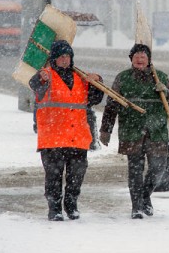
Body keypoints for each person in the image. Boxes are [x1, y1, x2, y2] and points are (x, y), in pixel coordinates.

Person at [99, 43, 169, 219]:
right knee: (135, 170)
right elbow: (112, 105)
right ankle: (137, 206)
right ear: (131, 59)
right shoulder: (122, 78)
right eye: (136, 57)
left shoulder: (161, 77)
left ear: (149, 60)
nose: (139, 59)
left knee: (158, 168)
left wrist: (165, 92)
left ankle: (145, 196)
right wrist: (106, 130)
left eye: (143, 56)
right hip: (131, 131)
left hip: (156, 131)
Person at [29, 40, 104, 221]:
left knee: (76, 176)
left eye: (68, 56)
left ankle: (71, 205)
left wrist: (97, 81)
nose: (65, 60)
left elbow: (95, 98)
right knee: (54, 177)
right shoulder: (47, 75)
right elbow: (34, 85)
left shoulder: (80, 78)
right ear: (54, 59)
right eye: (61, 56)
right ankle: (54, 208)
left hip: (77, 138)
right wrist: (41, 78)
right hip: (53, 138)